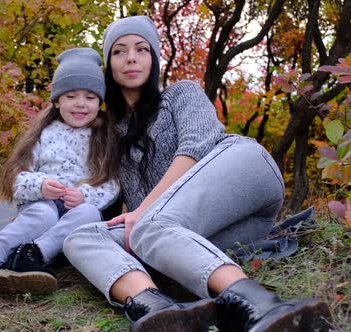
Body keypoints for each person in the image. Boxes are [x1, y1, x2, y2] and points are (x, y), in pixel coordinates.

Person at [63, 16, 332, 332]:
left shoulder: (181, 93)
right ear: (109, 65)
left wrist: (146, 209)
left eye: (141, 49)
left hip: (241, 171)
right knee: (82, 237)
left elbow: (196, 146)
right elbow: (99, 195)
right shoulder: (110, 134)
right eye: (119, 51)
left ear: (154, 59)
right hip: (189, 228)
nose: (131, 57)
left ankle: (265, 308)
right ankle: (161, 311)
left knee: (149, 226)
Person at [0, 48, 120, 307]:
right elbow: (15, 178)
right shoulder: (43, 134)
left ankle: (31, 255)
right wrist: (41, 186)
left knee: (90, 214)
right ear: (57, 101)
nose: (81, 103)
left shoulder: (104, 137)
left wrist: (84, 195)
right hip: (41, 205)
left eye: (90, 97)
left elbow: (110, 183)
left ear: (99, 102)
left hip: (75, 210)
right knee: (44, 215)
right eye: (71, 96)